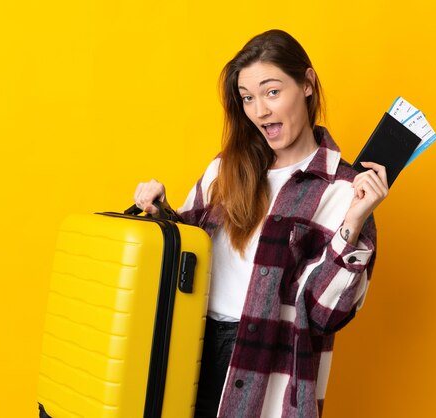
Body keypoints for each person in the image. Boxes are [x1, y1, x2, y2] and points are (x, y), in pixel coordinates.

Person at [134, 29, 388, 418]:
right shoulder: (224, 170)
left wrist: (353, 222)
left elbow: (325, 316)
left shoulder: (344, 191)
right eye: (248, 98)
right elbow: (187, 258)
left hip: (270, 365)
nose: (259, 111)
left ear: (307, 84)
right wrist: (161, 213)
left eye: (272, 92)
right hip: (192, 348)